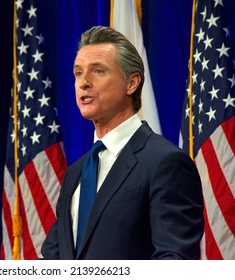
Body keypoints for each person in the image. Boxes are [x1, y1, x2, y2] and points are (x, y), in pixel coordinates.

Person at [41, 26, 204, 260]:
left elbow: (175, 260)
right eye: (78, 73)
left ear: (132, 83)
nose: (83, 82)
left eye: (98, 71)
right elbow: (53, 260)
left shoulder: (165, 163)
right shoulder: (75, 173)